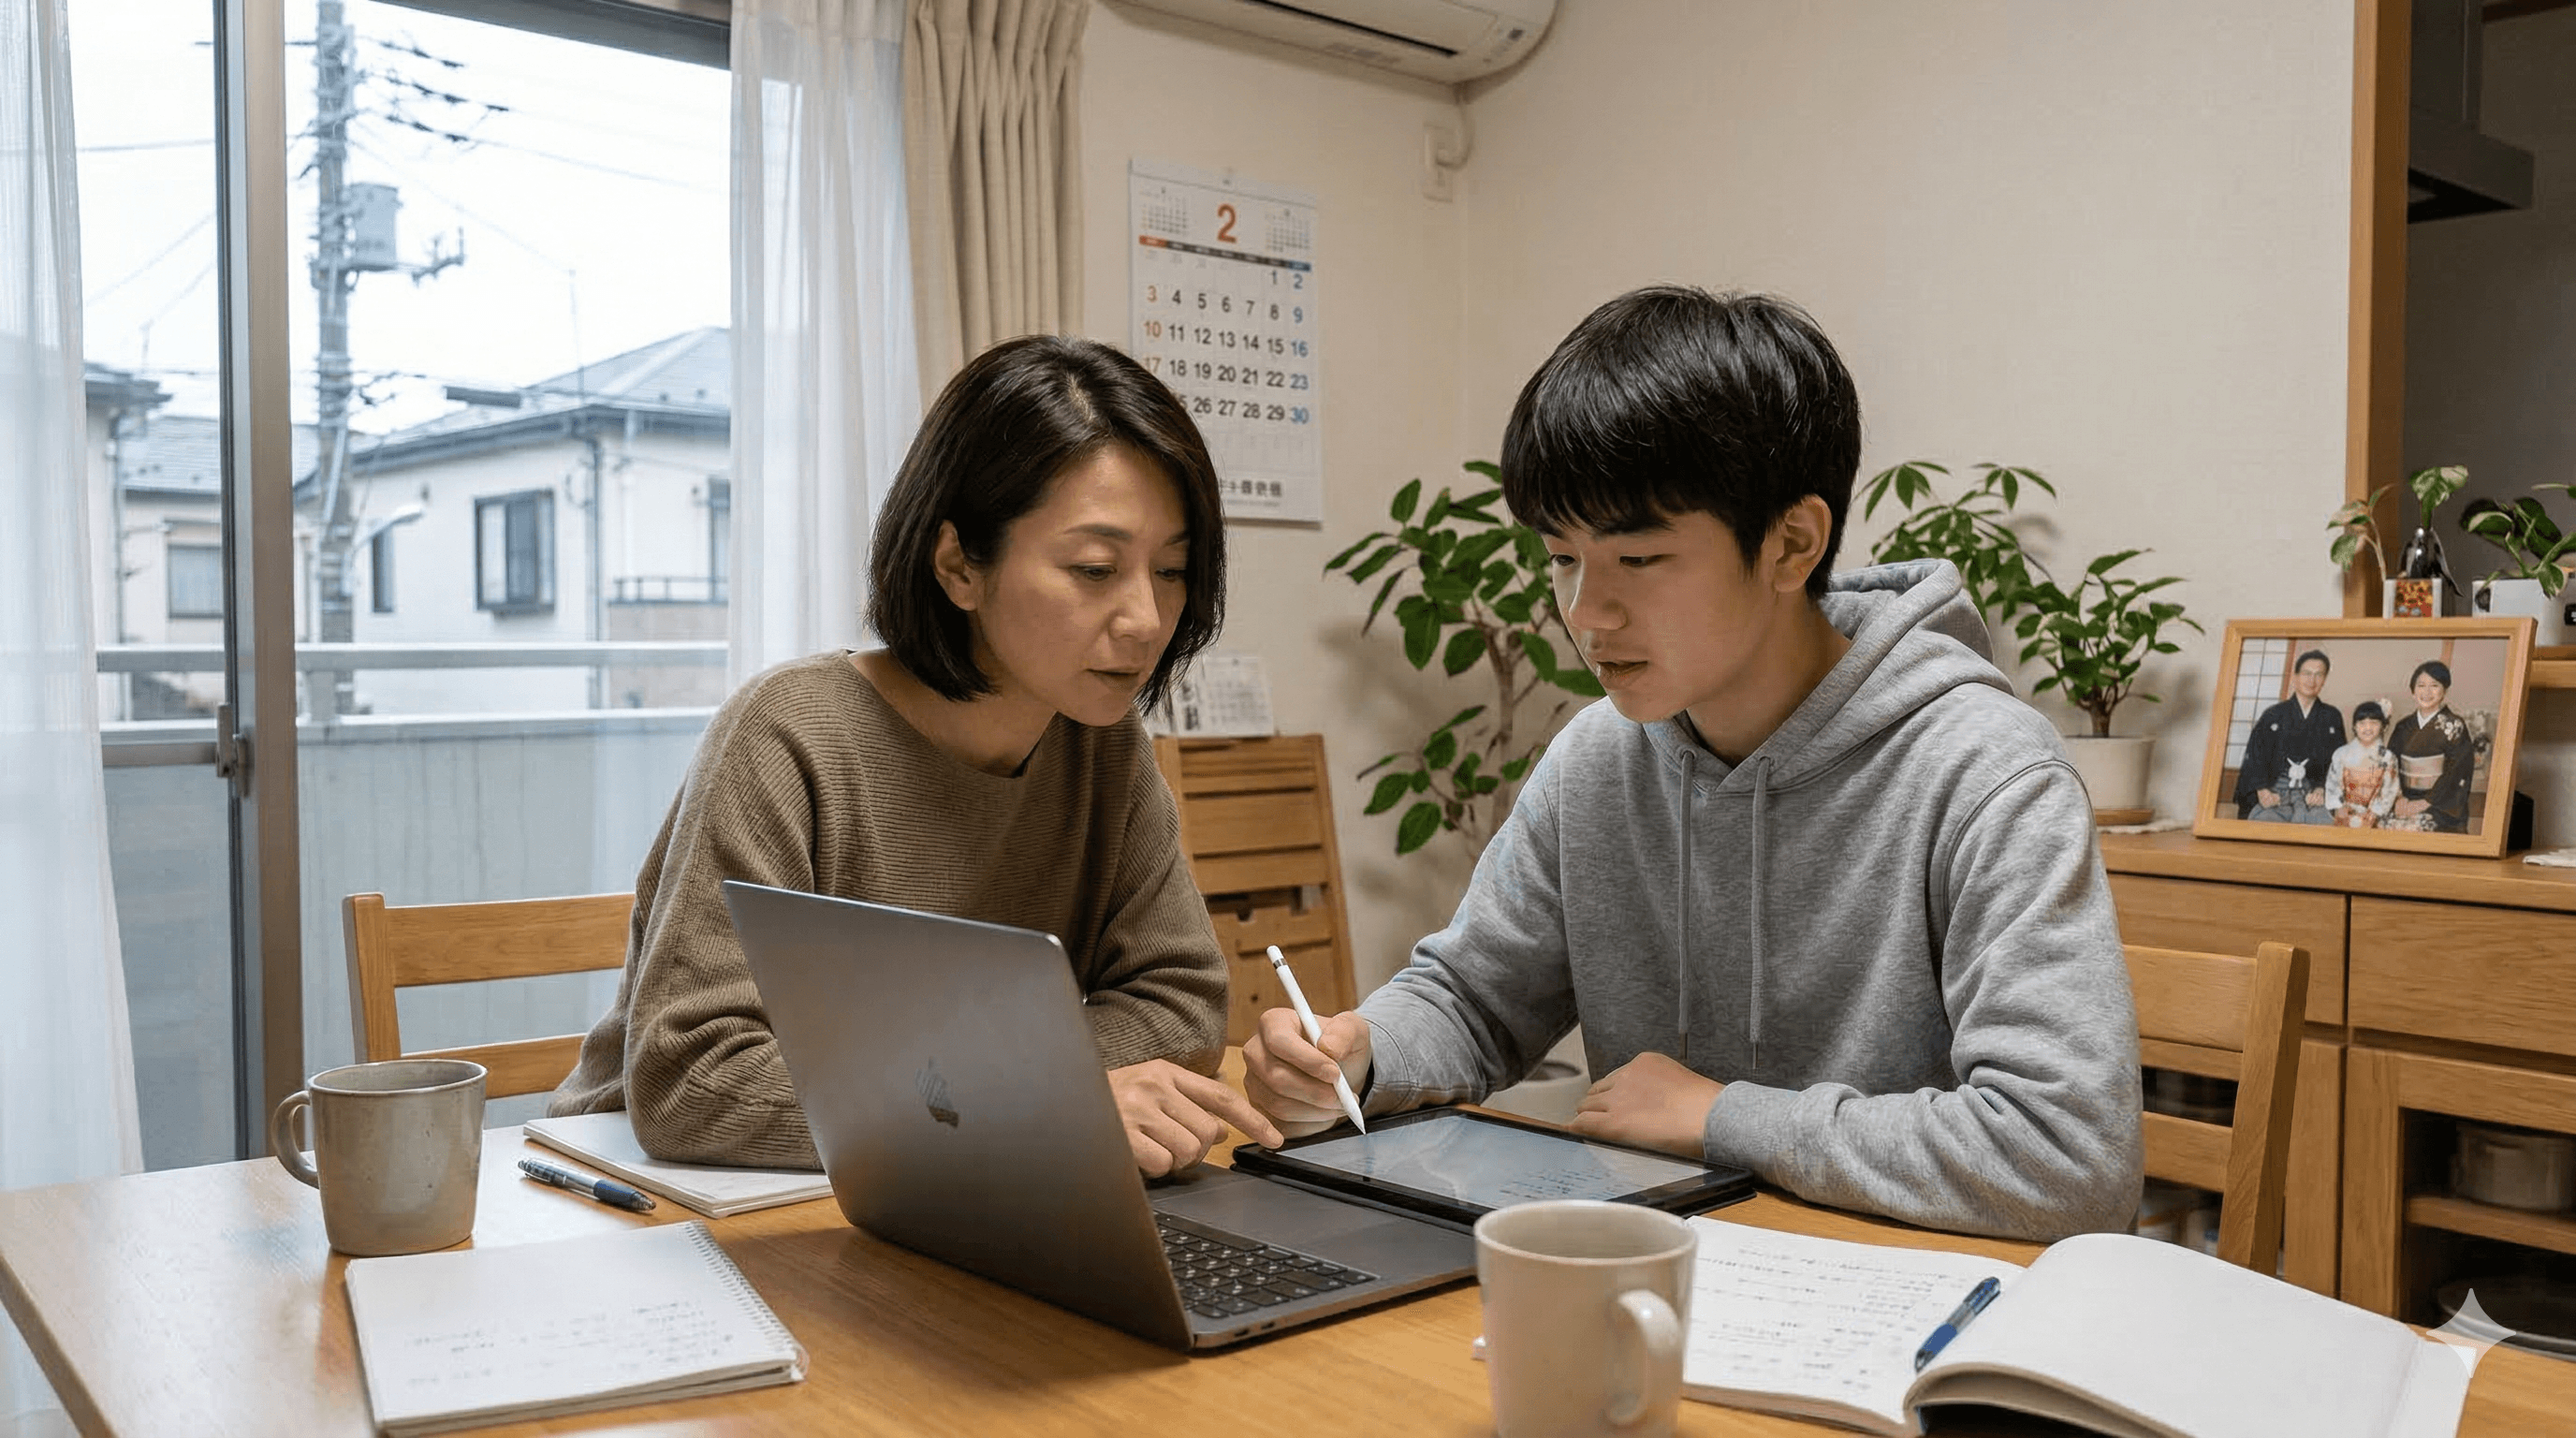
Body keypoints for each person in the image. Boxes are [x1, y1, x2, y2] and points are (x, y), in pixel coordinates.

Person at [1243, 286, 2143, 1242]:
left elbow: (2070, 1156)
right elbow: (1471, 998)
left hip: (1915, 1314)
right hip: (1666, 1278)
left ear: (1791, 543)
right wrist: (1359, 1054)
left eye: (1638, 561)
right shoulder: (1598, 758)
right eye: (1560, 558)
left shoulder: (1983, 772)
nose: (1586, 615)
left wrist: (1723, 1117)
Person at [552, 335, 1282, 1175]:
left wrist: (979, 1099)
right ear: (957, 566)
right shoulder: (786, 735)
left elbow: (1181, 1007)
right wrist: (1028, 1095)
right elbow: (694, 1083)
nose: (1147, 620)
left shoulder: (1104, 747)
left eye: (1173, 571)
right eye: (1094, 569)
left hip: (926, 1183)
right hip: (662, 1203)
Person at [2232, 650, 2344, 823]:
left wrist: (2322, 789)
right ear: (2296, 677)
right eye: (2307, 673)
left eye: (2318, 674)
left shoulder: (2332, 716)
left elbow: (2338, 761)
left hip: (2311, 793)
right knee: (2266, 824)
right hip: (2275, 790)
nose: (2311, 680)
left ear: (2325, 679)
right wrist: (2262, 790)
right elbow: (2255, 756)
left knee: (2320, 826)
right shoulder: (2273, 715)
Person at [2384, 661, 2478, 834]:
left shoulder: (2454, 726)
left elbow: (2457, 773)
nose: (2427, 692)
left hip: (2439, 806)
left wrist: (2423, 803)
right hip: (2404, 801)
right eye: (2421, 686)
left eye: (2434, 686)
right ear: (2413, 691)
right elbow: (2390, 766)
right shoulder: (2403, 726)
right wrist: (2398, 799)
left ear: (2444, 691)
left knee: (2415, 829)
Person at [2324, 701, 2397, 829]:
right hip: (2345, 812)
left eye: (2374, 723)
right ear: (2354, 727)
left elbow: (2390, 790)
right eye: (2362, 723)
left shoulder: (2388, 757)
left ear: (2383, 727)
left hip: (2374, 816)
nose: (2368, 728)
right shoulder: (2341, 754)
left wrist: (2375, 812)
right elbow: (2332, 784)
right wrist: (2338, 808)